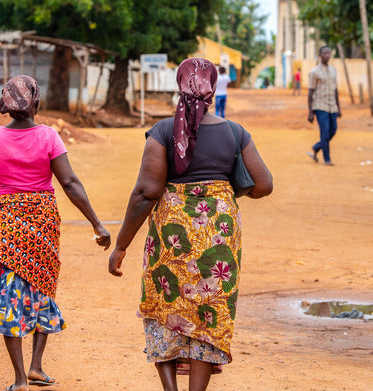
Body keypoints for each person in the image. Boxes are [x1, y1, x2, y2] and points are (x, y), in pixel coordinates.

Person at [107, 58, 273, 391]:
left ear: (179, 87)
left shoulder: (164, 132)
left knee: (166, 302)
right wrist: (225, 192)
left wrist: (121, 245)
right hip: (219, 234)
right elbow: (264, 184)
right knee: (208, 311)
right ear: (212, 89)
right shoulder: (235, 132)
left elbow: (146, 192)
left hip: (174, 235)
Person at [0, 75, 112, 390]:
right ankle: (36, 365)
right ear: (37, 103)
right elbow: (70, 183)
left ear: (6, 106)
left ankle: (22, 377)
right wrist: (96, 223)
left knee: (9, 295)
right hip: (41, 224)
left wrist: (1, 171)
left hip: (4, 226)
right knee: (42, 287)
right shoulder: (50, 136)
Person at [306, 46, 341, 166]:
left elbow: (336, 90)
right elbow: (310, 92)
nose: (327, 55)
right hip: (320, 106)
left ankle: (316, 147)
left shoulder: (333, 70)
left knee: (333, 131)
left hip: (332, 106)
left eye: (329, 53)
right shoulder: (314, 72)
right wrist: (310, 112)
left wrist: (338, 107)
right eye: (325, 53)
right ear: (320, 55)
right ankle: (327, 159)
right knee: (325, 133)